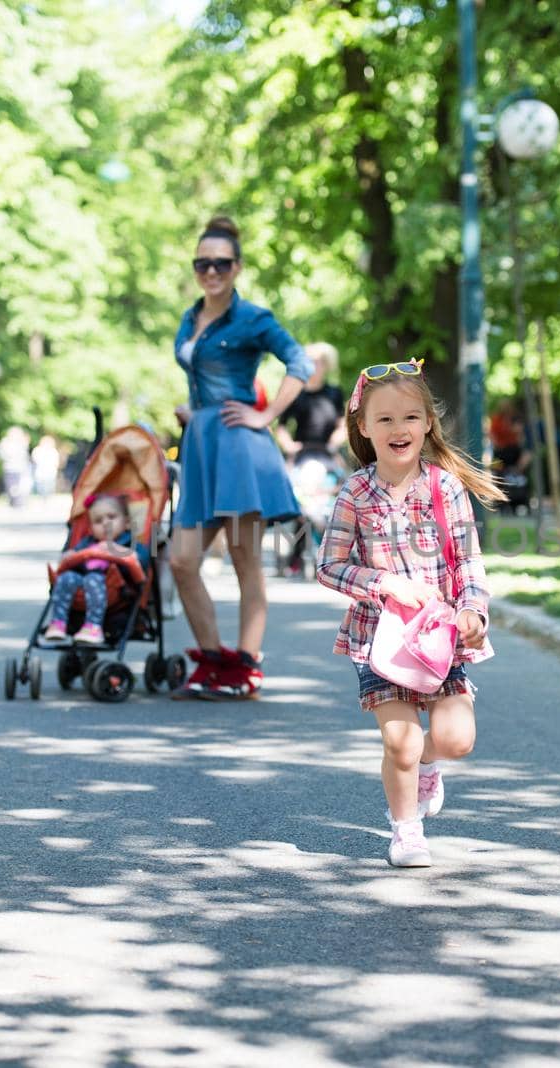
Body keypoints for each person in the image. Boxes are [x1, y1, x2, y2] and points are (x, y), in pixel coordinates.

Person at [317, 359, 505, 868]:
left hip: (441, 636)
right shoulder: (355, 492)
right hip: (379, 638)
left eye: (409, 418)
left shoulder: (445, 488)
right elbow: (328, 566)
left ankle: (428, 764)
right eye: (385, 420)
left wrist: (473, 611)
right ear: (363, 427)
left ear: (427, 423)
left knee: (455, 740)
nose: (398, 429)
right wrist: (382, 583)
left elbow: (468, 562)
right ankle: (406, 831)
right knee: (398, 742)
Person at [167, 215, 313, 700]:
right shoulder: (191, 317)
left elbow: (300, 363)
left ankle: (245, 668)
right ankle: (213, 660)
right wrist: (196, 410)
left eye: (221, 264)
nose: (211, 271)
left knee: (244, 557)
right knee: (182, 560)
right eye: (202, 263)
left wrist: (266, 413)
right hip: (203, 446)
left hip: (239, 449)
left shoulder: (253, 319)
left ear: (237, 267)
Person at [275, 341, 347, 577]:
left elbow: (343, 425)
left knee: (327, 505)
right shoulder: (296, 393)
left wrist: (335, 441)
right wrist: (289, 446)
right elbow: (281, 427)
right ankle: (295, 557)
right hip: (301, 456)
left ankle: (327, 557)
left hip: (326, 456)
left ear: (326, 366)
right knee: (300, 507)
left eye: (318, 362)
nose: (314, 367)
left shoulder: (334, 393)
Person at [41, 492, 150, 645]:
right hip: (83, 590)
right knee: (66, 578)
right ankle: (58, 622)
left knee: (93, 579)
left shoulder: (129, 543)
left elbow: (143, 559)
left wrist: (122, 552)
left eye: (111, 517)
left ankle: (93, 627)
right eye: (98, 521)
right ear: (91, 528)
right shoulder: (88, 543)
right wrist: (71, 555)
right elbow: (74, 559)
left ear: (126, 523)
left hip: (117, 592)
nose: (105, 523)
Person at [0, 426, 33, 507]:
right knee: (11, 487)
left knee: (20, 486)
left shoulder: (22, 442)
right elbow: (1, 454)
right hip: (9, 468)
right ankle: (13, 501)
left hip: (21, 468)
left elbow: (25, 455)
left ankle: (19, 502)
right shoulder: (5, 442)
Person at [31, 434, 60, 499]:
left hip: (50, 472)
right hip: (40, 473)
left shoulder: (53, 451)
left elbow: (56, 463)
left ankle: (47, 498)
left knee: (48, 487)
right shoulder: (37, 450)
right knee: (41, 487)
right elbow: (34, 460)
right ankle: (43, 498)